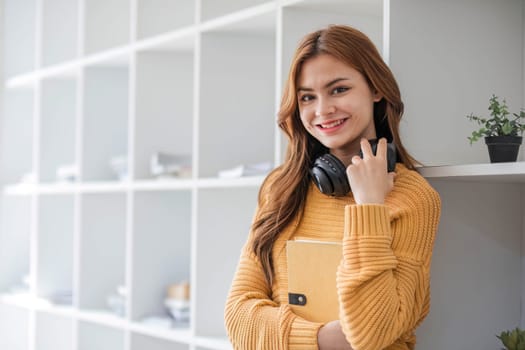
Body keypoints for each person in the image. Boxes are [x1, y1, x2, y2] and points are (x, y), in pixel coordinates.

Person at [224, 24, 441, 350]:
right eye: (307, 97)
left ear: (376, 89)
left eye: (339, 89)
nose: (322, 110)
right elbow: (238, 318)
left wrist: (369, 207)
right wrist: (325, 339)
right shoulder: (280, 189)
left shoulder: (413, 198)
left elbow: (373, 333)